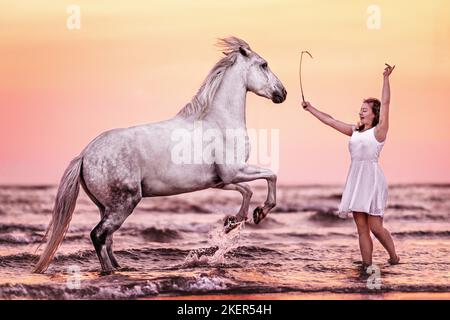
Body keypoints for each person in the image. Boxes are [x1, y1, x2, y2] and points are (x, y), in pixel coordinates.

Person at [301, 64, 399, 269]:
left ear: (374, 114)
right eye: (360, 109)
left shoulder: (379, 132)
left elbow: (387, 103)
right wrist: (310, 108)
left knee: (375, 227)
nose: (361, 112)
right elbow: (330, 120)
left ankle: (393, 257)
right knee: (361, 228)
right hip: (356, 179)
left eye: (365, 110)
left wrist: (386, 79)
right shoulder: (354, 131)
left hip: (372, 179)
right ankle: (367, 267)